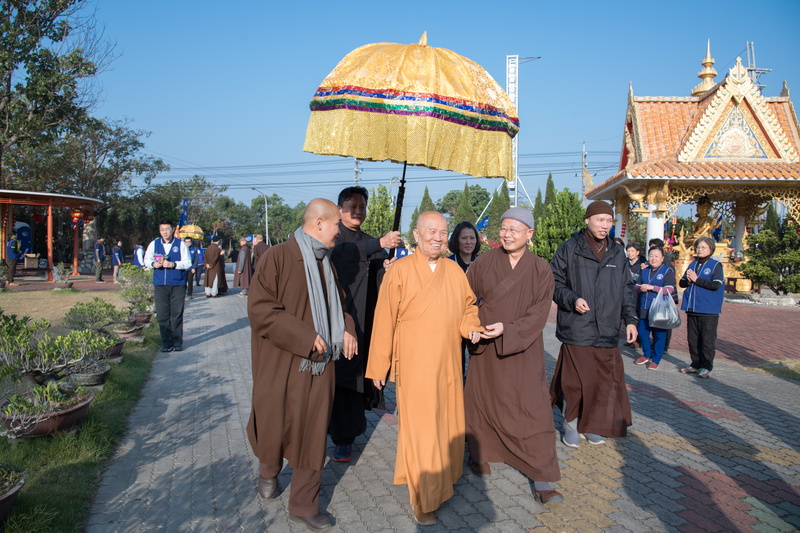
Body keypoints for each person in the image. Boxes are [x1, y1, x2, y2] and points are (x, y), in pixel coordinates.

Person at [366, 211, 484, 526]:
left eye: (442, 232)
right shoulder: (400, 271)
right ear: (416, 236)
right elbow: (384, 320)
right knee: (422, 432)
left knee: (445, 427)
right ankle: (424, 499)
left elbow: (469, 307)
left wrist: (471, 325)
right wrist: (379, 365)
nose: (437, 237)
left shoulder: (455, 271)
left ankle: (434, 479)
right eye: (430, 231)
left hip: (447, 366)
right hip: (415, 368)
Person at [246, 199, 357, 531]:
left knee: (311, 434)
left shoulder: (327, 263)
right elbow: (261, 311)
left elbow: (339, 305)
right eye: (337, 223)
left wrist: (347, 329)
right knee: (274, 423)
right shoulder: (277, 257)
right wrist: (305, 337)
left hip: (320, 368)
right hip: (281, 364)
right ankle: (268, 470)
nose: (340, 230)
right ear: (320, 223)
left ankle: (303, 504)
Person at [465, 207, 563, 505]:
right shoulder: (483, 263)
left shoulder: (540, 269)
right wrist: (470, 325)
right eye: (504, 228)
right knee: (482, 402)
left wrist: (507, 329)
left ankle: (542, 475)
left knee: (533, 409)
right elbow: (466, 299)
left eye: (514, 229)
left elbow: (538, 314)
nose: (507, 234)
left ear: (529, 234)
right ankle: (480, 453)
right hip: (486, 348)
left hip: (522, 348)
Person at [549, 200, 637, 448]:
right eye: (600, 220)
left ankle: (592, 425)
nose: (604, 225)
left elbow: (626, 289)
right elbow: (554, 283)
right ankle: (571, 425)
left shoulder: (617, 252)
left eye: (609, 221)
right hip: (578, 327)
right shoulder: (569, 248)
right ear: (587, 220)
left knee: (601, 383)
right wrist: (572, 299)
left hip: (608, 329)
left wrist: (630, 320)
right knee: (575, 382)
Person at [328, 186, 400, 463]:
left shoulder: (370, 240)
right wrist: (380, 243)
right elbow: (348, 253)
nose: (358, 211)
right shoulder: (335, 238)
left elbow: (380, 272)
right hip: (342, 319)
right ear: (339, 210)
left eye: (362, 207)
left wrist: (387, 268)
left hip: (367, 321)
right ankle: (341, 438)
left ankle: (352, 430)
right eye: (352, 206)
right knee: (343, 380)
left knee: (360, 379)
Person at [679, 236, 724, 379]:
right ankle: (695, 363)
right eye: (698, 247)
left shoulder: (716, 266)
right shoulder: (693, 264)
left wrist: (697, 280)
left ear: (711, 249)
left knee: (707, 339)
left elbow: (716, 285)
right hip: (692, 308)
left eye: (703, 247)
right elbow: (682, 283)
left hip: (708, 309)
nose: (700, 249)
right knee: (693, 338)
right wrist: (687, 280)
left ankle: (706, 366)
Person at [143, 220, 192, 352]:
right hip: (160, 284)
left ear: (172, 230)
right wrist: (153, 264)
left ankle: (177, 342)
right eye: (162, 229)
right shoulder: (154, 244)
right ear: (160, 231)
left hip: (177, 284)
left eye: (167, 229)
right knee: (162, 315)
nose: (165, 232)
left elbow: (188, 263)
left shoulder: (180, 244)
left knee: (176, 313)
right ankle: (166, 343)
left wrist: (174, 264)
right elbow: (146, 259)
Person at [634, 246, 676, 370]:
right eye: (651, 255)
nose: (653, 258)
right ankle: (647, 354)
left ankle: (656, 359)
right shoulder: (645, 271)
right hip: (645, 307)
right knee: (642, 331)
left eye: (656, 256)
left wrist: (652, 288)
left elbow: (669, 289)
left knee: (659, 335)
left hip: (659, 309)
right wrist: (641, 287)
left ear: (662, 258)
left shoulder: (667, 271)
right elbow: (636, 286)